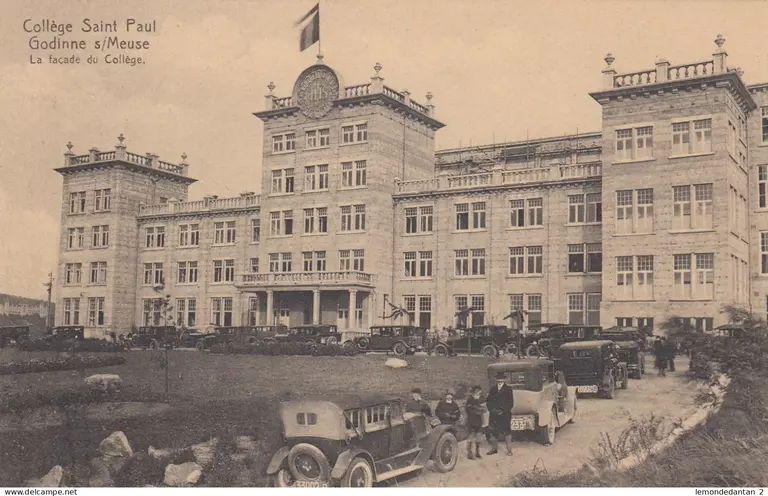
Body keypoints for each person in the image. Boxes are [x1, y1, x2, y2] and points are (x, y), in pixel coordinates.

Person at [486, 372, 514, 455]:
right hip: (494, 414)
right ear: (496, 379)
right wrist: (492, 410)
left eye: (502, 379)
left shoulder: (508, 389)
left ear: (504, 379)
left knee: (506, 431)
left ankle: (509, 450)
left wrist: (502, 411)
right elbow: (488, 401)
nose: (500, 380)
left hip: (504, 415)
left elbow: (510, 403)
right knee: (493, 431)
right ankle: (494, 449)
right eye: (498, 378)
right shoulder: (493, 389)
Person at [465, 386, 485, 460]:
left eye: (480, 392)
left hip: (479, 421)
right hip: (471, 421)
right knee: (471, 438)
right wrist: (479, 410)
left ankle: (477, 453)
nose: (479, 394)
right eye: (478, 392)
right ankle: (469, 454)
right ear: (474, 392)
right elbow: (469, 411)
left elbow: (484, 409)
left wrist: (480, 409)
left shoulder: (479, 400)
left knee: (478, 438)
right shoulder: (470, 400)